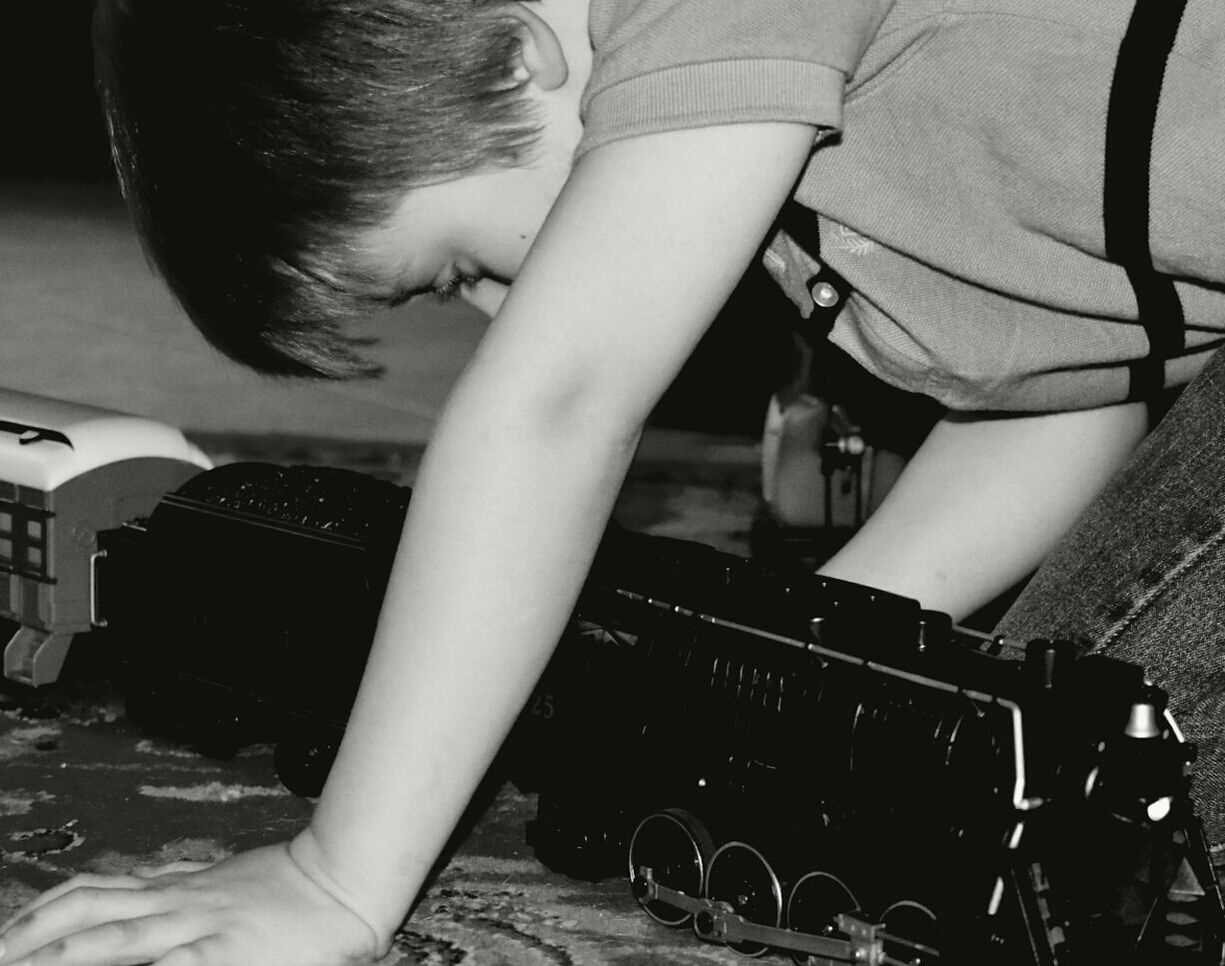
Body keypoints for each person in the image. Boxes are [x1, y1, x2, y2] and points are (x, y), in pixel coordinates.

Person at [1, 0, 1222, 963]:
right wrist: (796, 678)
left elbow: (560, 403)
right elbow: (1069, 402)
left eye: (453, 272)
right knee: (1001, 773)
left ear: (513, 60)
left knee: (1098, 816)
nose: (493, 319)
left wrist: (337, 876)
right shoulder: (821, 207)